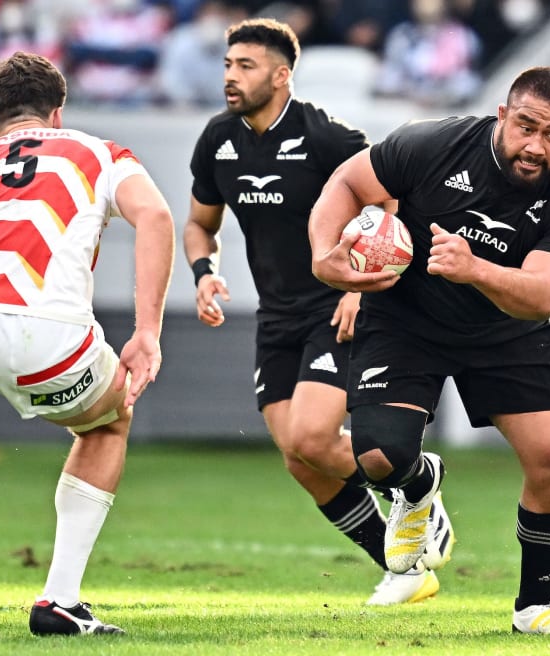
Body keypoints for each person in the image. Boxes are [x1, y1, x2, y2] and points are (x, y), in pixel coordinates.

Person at [309, 65, 550, 634]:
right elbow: (347, 183)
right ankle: (419, 489)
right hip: (405, 318)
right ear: (502, 116)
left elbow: (543, 295)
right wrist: (325, 255)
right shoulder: (433, 144)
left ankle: (535, 606)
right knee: (379, 458)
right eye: (526, 126)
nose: (535, 146)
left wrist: (474, 269)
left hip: (506, 329)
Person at [182, 17, 454, 606]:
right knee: (301, 460)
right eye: (228, 65)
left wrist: (359, 286)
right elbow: (200, 225)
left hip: (336, 311)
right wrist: (204, 275)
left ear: (281, 76)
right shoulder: (216, 141)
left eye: (245, 66)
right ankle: (401, 563)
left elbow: (389, 207)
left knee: (312, 433)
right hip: (274, 318)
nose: (231, 76)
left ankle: (416, 477)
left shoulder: (327, 137)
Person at [0, 51, 175, 635]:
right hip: (45, 332)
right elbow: (156, 218)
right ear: (57, 113)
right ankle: (59, 601)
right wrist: (146, 332)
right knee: (107, 421)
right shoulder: (98, 151)